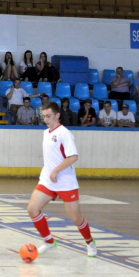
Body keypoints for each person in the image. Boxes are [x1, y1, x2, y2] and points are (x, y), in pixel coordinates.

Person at [26, 102, 97, 257]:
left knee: (75, 218)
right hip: (48, 180)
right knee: (32, 209)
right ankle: (49, 242)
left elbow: (73, 157)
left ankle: (90, 242)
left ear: (57, 115)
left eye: (49, 116)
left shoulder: (64, 133)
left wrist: (56, 170)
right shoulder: (46, 133)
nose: (46, 119)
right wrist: (50, 173)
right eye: (44, 116)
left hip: (65, 181)